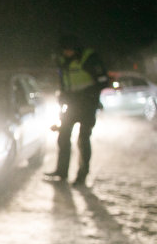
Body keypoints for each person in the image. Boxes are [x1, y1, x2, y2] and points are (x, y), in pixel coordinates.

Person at [44, 34, 109, 186]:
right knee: (63, 136)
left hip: (87, 105)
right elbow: (64, 82)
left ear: (76, 49)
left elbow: (103, 81)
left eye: (69, 50)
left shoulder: (89, 58)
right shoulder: (62, 61)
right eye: (64, 50)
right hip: (71, 105)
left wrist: (86, 95)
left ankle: (82, 175)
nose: (67, 53)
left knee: (83, 139)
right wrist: (63, 95)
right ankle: (61, 172)